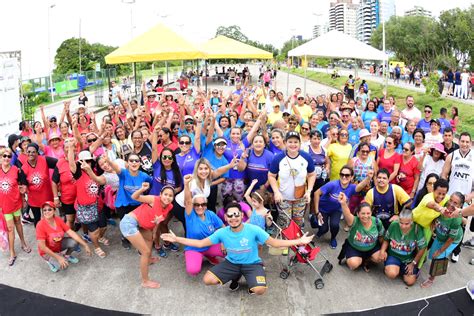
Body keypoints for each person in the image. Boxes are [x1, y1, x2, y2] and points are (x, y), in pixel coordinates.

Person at [161, 202, 314, 295]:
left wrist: (298, 240)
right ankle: (236, 276)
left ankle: (250, 279)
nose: (233, 218)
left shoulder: (253, 229)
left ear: (241, 215)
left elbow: (274, 243)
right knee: (208, 280)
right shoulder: (221, 232)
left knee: (259, 290)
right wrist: (176, 239)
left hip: (252, 264)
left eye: (236, 215)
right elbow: (200, 244)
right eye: (230, 216)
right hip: (232, 263)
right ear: (226, 218)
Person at [119, 182, 173, 288]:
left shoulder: (169, 207)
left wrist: (154, 233)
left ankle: (148, 260)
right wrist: (142, 189)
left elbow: (158, 220)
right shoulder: (153, 199)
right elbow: (134, 197)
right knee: (145, 251)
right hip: (129, 223)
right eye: (165, 194)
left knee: (149, 239)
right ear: (160, 194)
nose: (168, 197)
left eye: (170, 195)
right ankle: (145, 281)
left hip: (141, 225)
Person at [313, 166, 372, 248]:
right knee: (324, 228)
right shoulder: (332, 184)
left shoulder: (351, 187)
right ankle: (320, 227)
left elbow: (360, 186)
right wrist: (316, 212)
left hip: (336, 210)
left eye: (347, 175)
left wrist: (368, 177)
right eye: (342, 174)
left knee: (334, 225)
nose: (344, 177)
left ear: (351, 177)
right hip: (323, 209)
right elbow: (316, 193)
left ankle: (333, 238)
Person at [268, 131, 316, 228]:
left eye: (295, 142)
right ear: (285, 143)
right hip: (284, 197)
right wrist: (276, 192)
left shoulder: (306, 157)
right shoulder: (278, 158)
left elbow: (312, 174)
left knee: (298, 223)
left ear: (300, 143)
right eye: (290, 142)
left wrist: (309, 191)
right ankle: (285, 242)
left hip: (300, 197)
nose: (293, 145)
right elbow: (271, 176)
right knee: (285, 223)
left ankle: (297, 242)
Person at [180, 175, 225, 276]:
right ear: (193, 205)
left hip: (210, 245)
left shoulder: (211, 214)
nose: (200, 207)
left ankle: (209, 255)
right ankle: (195, 256)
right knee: (193, 270)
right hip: (194, 248)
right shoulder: (190, 215)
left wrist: (223, 242)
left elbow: (223, 228)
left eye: (203, 204)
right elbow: (187, 201)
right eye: (197, 204)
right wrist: (186, 185)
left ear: (206, 205)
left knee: (229, 249)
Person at [68, 149, 107, 258]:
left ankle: (99, 237)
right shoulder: (78, 174)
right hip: (86, 208)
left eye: (88, 161)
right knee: (94, 231)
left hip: (98, 205)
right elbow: (71, 163)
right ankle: (96, 246)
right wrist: (71, 147)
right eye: (83, 161)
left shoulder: (95, 171)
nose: (86, 163)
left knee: (103, 227)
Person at [420, 192, 464, 288]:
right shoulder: (444, 205)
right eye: (451, 200)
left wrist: (440, 251)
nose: (451, 204)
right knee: (432, 254)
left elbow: (451, 239)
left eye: (455, 203)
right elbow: (437, 213)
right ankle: (443, 257)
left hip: (451, 240)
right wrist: (434, 221)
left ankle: (431, 279)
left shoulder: (456, 220)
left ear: (460, 206)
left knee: (437, 257)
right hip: (440, 236)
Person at [36, 201, 92, 272]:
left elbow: (71, 232)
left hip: (58, 245)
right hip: (46, 251)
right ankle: (50, 262)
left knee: (74, 242)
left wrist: (85, 245)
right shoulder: (40, 225)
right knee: (62, 266)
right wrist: (58, 258)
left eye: (49, 209)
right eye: (44, 210)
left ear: (54, 211)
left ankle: (66, 256)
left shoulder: (58, 220)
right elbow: (42, 247)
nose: (47, 212)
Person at [380, 208, 426, 286]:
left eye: (406, 224)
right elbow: (386, 239)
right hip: (393, 256)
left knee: (410, 282)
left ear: (412, 221)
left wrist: (413, 263)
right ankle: (395, 268)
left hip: (408, 259)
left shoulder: (417, 229)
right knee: (391, 274)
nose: (403, 226)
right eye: (401, 223)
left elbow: (422, 247)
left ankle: (403, 270)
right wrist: (382, 251)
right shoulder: (394, 224)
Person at [0, 148, 31, 266]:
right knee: (10, 228)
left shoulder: (16, 170)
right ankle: (12, 253)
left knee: (18, 222)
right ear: (1, 157)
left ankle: (23, 243)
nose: (7, 158)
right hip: (4, 206)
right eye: (4, 156)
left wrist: (23, 197)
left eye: (9, 156)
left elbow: (23, 185)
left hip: (16, 203)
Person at [339, 195, 384, 271]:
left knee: (382, 257)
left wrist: (383, 251)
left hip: (372, 248)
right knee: (353, 264)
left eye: (368, 213)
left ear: (371, 213)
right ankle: (357, 259)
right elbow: (347, 214)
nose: (366, 216)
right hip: (354, 248)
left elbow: (381, 237)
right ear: (358, 214)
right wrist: (343, 203)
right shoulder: (354, 221)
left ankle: (366, 260)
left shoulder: (377, 222)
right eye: (363, 213)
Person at [18, 143, 57, 226]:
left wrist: (55, 179)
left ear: (37, 152)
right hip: (34, 199)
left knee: (49, 216)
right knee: (37, 218)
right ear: (26, 152)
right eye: (28, 151)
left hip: (47, 196)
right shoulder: (23, 168)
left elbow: (59, 164)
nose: (30, 154)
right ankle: (40, 235)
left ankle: (53, 234)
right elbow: (24, 184)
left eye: (33, 152)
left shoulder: (44, 160)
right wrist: (23, 190)